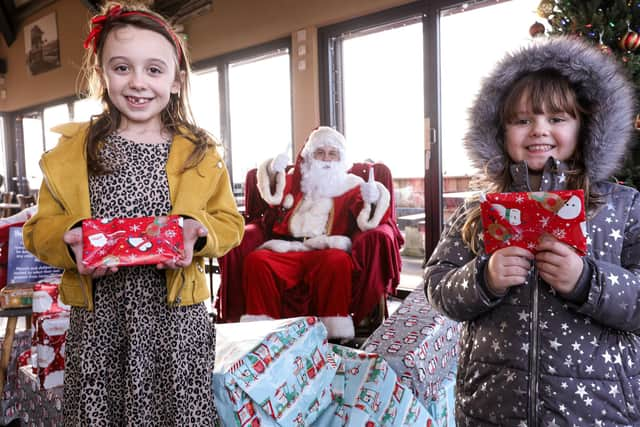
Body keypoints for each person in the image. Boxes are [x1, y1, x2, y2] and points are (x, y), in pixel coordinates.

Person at [22, 2, 244, 425]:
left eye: (154, 70)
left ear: (177, 81)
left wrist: (198, 234)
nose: (138, 83)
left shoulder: (199, 151)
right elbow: (38, 231)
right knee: (100, 414)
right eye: (122, 68)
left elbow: (230, 223)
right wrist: (69, 242)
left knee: (178, 413)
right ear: (102, 74)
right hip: (101, 322)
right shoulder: (73, 153)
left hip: (177, 322)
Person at [424, 36, 640, 426]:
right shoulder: (477, 210)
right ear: (500, 131)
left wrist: (588, 281)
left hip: (596, 410)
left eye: (557, 119)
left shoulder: (622, 207)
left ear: (585, 127)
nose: (539, 130)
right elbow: (437, 288)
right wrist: (484, 278)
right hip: (492, 406)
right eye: (522, 120)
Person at [240, 126, 391, 339]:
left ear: (341, 158)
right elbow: (273, 191)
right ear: (310, 156)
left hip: (325, 249)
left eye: (332, 154)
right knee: (258, 261)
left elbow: (368, 218)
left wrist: (372, 198)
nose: (326, 160)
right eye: (320, 153)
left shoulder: (352, 184)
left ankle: (333, 333)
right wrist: (274, 171)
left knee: (337, 261)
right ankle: (264, 333)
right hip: (287, 248)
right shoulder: (298, 181)